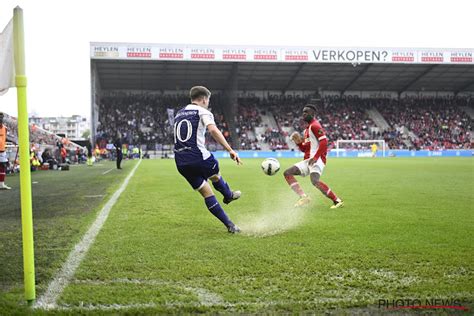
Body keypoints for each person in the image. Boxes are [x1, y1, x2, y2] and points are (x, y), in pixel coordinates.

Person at [174, 86, 242, 233]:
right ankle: (228, 195)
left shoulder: (178, 114)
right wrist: (230, 150)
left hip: (180, 161)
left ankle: (230, 225)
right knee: (215, 175)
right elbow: (213, 130)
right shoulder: (203, 111)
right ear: (204, 99)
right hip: (198, 156)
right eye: (208, 100)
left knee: (206, 193)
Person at [283, 103, 344, 209]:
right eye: (303, 112)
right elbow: (305, 149)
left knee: (314, 181)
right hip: (308, 160)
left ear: (312, 113)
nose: (304, 114)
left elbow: (324, 142)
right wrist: (298, 142)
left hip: (317, 159)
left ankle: (337, 201)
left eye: (306, 112)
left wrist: (316, 157)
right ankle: (303, 197)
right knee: (287, 173)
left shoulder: (315, 126)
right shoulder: (307, 130)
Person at [0, 112, 12, 190]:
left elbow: (5, 137)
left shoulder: (5, 128)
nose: (1, 118)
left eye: (1, 117)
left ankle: (2, 184)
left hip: (2, 150)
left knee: (3, 166)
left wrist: (12, 141)